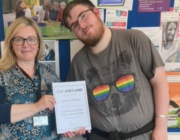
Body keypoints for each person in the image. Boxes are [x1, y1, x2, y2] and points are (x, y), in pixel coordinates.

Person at [62, 0, 169, 140]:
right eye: (74, 25)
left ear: (96, 12)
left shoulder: (135, 39)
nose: (81, 25)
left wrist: (161, 127)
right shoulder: (78, 63)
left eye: (83, 16)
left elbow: (159, 82)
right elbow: (74, 106)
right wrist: (71, 125)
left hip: (144, 135)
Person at [0, 17, 62, 140]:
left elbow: (61, 109)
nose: (26, 45)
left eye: (31, 39)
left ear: (38, 43)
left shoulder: (50, 74)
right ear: (11, 44)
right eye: (19, 39)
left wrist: (69, 127)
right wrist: (37, 106)